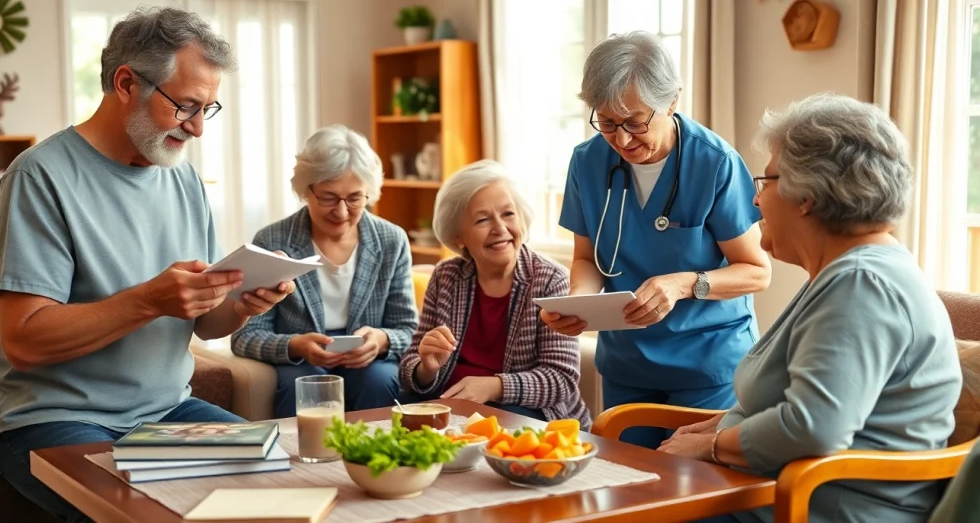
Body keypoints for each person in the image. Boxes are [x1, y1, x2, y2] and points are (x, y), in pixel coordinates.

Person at [0, 7, 295, 523]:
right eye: (185, 106)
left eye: (207, 109)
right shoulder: (39, 178)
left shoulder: (183, 180)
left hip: (165, 415)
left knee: (286, 482)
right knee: (145, 514)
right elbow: (25, 341)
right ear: (126, 82)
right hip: (51, 418)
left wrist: (241, 304)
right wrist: (148, 299)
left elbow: (204, 322)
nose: (195, 129)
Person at [658, 93, 962, 523]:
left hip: (825, 508)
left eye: (766, 182)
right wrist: (723, 424)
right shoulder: (851, 271)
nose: (756, 201)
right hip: (778, 494)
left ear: (808, 197)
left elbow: (814, 426)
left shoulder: (863, 283)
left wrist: (707, 447)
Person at [542, 31, 771, 448]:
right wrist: (579, 304)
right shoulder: (588, 161)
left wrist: (683, 283)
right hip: (627, 364)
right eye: (607, 123)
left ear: (672, 101)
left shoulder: (714, 164)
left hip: (706, 365)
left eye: (635, 122)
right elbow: (587, 258)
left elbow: (757, 272)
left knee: (693, 499)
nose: (623, 140)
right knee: (628, 490)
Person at [231, 124, 418, 416]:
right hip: (301, 362)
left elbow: (408, 329)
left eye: (355, 198)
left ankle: (377, 460)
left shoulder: (391, 240)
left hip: (368, 362)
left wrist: (381, 341)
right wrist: (296, 346)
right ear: (306, 190)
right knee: (303, 385)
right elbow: (245, 336)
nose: (342, 212)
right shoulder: (273, 241)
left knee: (380, 380)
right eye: (328, 197)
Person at [398, 160, 591, 428]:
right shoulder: (446, 277)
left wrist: (494, 387)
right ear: (459, 237)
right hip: (452, 410)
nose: (500, 228)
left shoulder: (549, 279)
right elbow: (409, 367)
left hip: (525, 415)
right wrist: (427, 368)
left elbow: (560, 380)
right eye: (482, 219)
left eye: (508, 214)